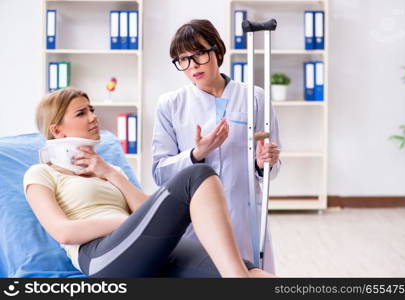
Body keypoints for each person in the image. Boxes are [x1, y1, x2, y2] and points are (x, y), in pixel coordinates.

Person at [24, 87, 275, 278]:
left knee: (252, 273)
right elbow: (64, 232)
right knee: (197, 175)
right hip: (100, 255)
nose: (93, 117)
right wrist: (128, 223)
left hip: (141, 246)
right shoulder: (40, 174)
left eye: (92, 110)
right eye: (82, 113)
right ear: (57, 131)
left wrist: (112, 175)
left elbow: (149, 211)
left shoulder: (107, 168)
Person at [152, 19, 281, 272]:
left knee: (250, 276)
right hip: (194, 221)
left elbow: (272, 169)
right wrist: (197, 153)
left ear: (217, 50)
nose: (192, 66)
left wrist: (263, 163)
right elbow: (159, 172)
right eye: (183, 60)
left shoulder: (254, 98)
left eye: (199, 55)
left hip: (245, 218)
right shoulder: (170, 104)